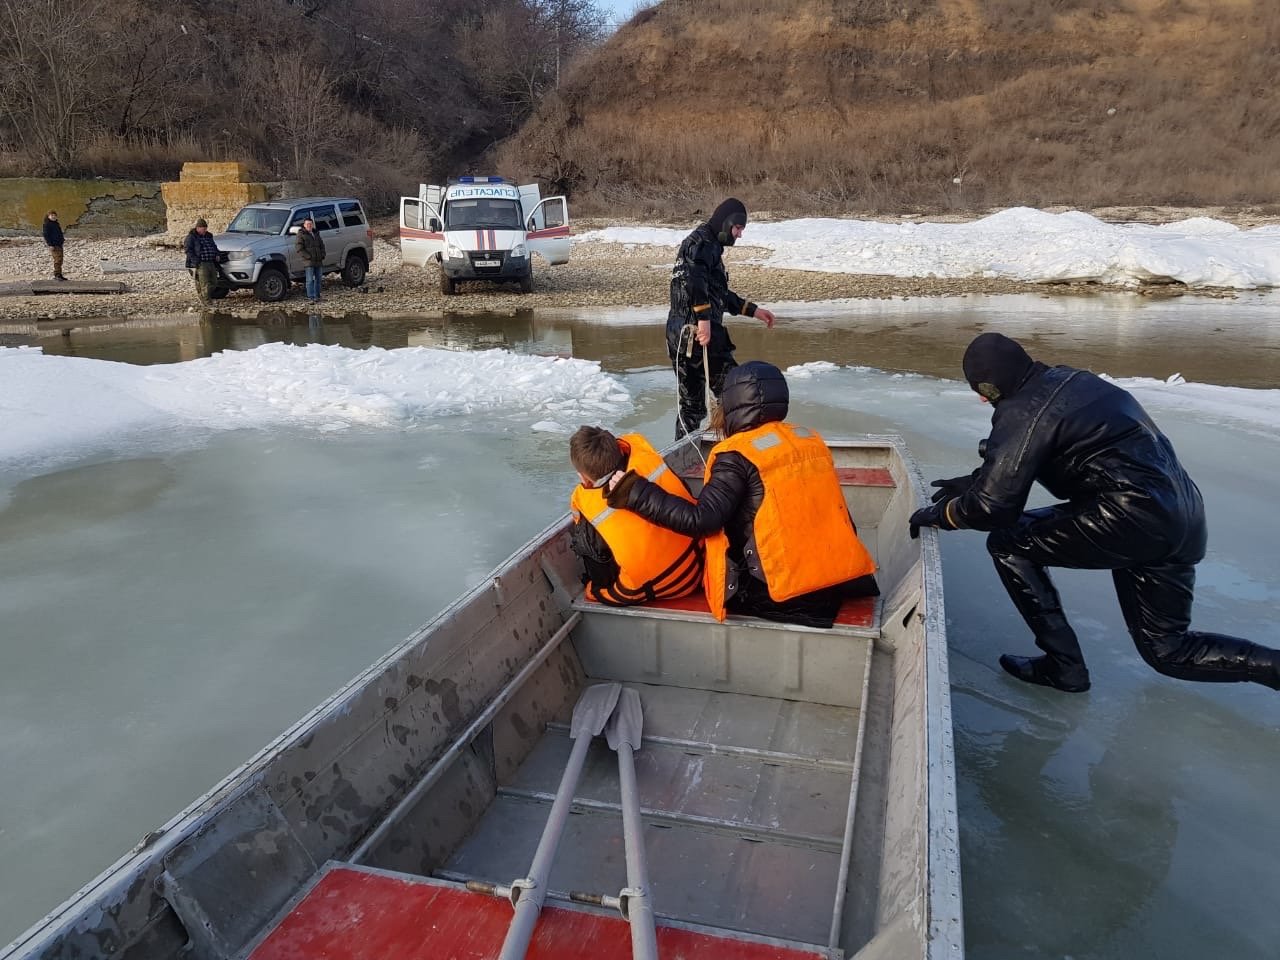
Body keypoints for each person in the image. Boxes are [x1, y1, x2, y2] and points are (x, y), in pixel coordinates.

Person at [909, 331, 1280, 693]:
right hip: (1181, 514)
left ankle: (1064, 666)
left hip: (1129, 518)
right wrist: (976, 480)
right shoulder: (1074, 380)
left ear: (987, 389)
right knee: (1168, 650)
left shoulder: (1023, 411)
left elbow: (994, 508)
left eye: (983, 392)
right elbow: (1036, 456)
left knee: (1007, 543)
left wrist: (946, 515)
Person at [605, 361, 878, 627]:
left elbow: (702, 521)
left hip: (779, 594)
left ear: (732, 405)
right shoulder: (809, 440)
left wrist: (636, 492)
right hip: (835, 581)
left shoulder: (736, 456)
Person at [666, 198, 776, 440]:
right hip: (696, 333)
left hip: (680, 334)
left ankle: (683, 452)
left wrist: (753, 310)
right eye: (738, 229)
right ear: (727, 223)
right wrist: (703, 320)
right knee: (737, 391)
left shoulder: (705, 245)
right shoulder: (703, 243)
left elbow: (718, 293)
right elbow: (695, 280)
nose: (739, 235)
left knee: (692, 405)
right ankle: (738, 447)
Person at [567, 426, 703, 605]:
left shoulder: (589, 506)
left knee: (595, 588)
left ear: (583, 478)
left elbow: (596, 556)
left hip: (654, 589)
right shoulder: (648, 461)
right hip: (699, 566)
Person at [183, 218, 226, 304]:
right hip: (201, 263)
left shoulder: (209, 236)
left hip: (211, 262)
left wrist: (217, 254)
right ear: (198, 228)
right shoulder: (191, 237)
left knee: (214, 282)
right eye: (203, 228)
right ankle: (206, 301)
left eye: (206, 228)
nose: (205, 230)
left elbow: (214, 247)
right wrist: (196, 262)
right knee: (205, 282)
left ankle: (202, 296)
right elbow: (188, 250)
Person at [296, 217, 326, 302]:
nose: (309, 226)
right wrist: (308, 257)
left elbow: (322, 245)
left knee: (319, 279)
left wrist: (322, 255)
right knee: (309, 280)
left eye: (310, 224)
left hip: (318, 260)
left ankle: (317, 296)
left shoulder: (316, 233)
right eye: (307, 224)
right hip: (308, 261)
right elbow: (299, 248)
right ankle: (311, 297)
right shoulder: (301, 234)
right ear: (304, 225)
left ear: (312, 224)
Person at [42, 210, 66, 280]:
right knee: (57, 260)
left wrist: (62, 240)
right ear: (48, 216)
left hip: (59, 244)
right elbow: (46, 235)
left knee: (60, 259)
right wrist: (50, 245)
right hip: (54, 245)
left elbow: (59, 233)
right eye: (51, 215)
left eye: (54, 215)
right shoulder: (47, 224)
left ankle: (59, 274)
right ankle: (57, 275)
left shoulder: (56, 224)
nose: (53, 216)